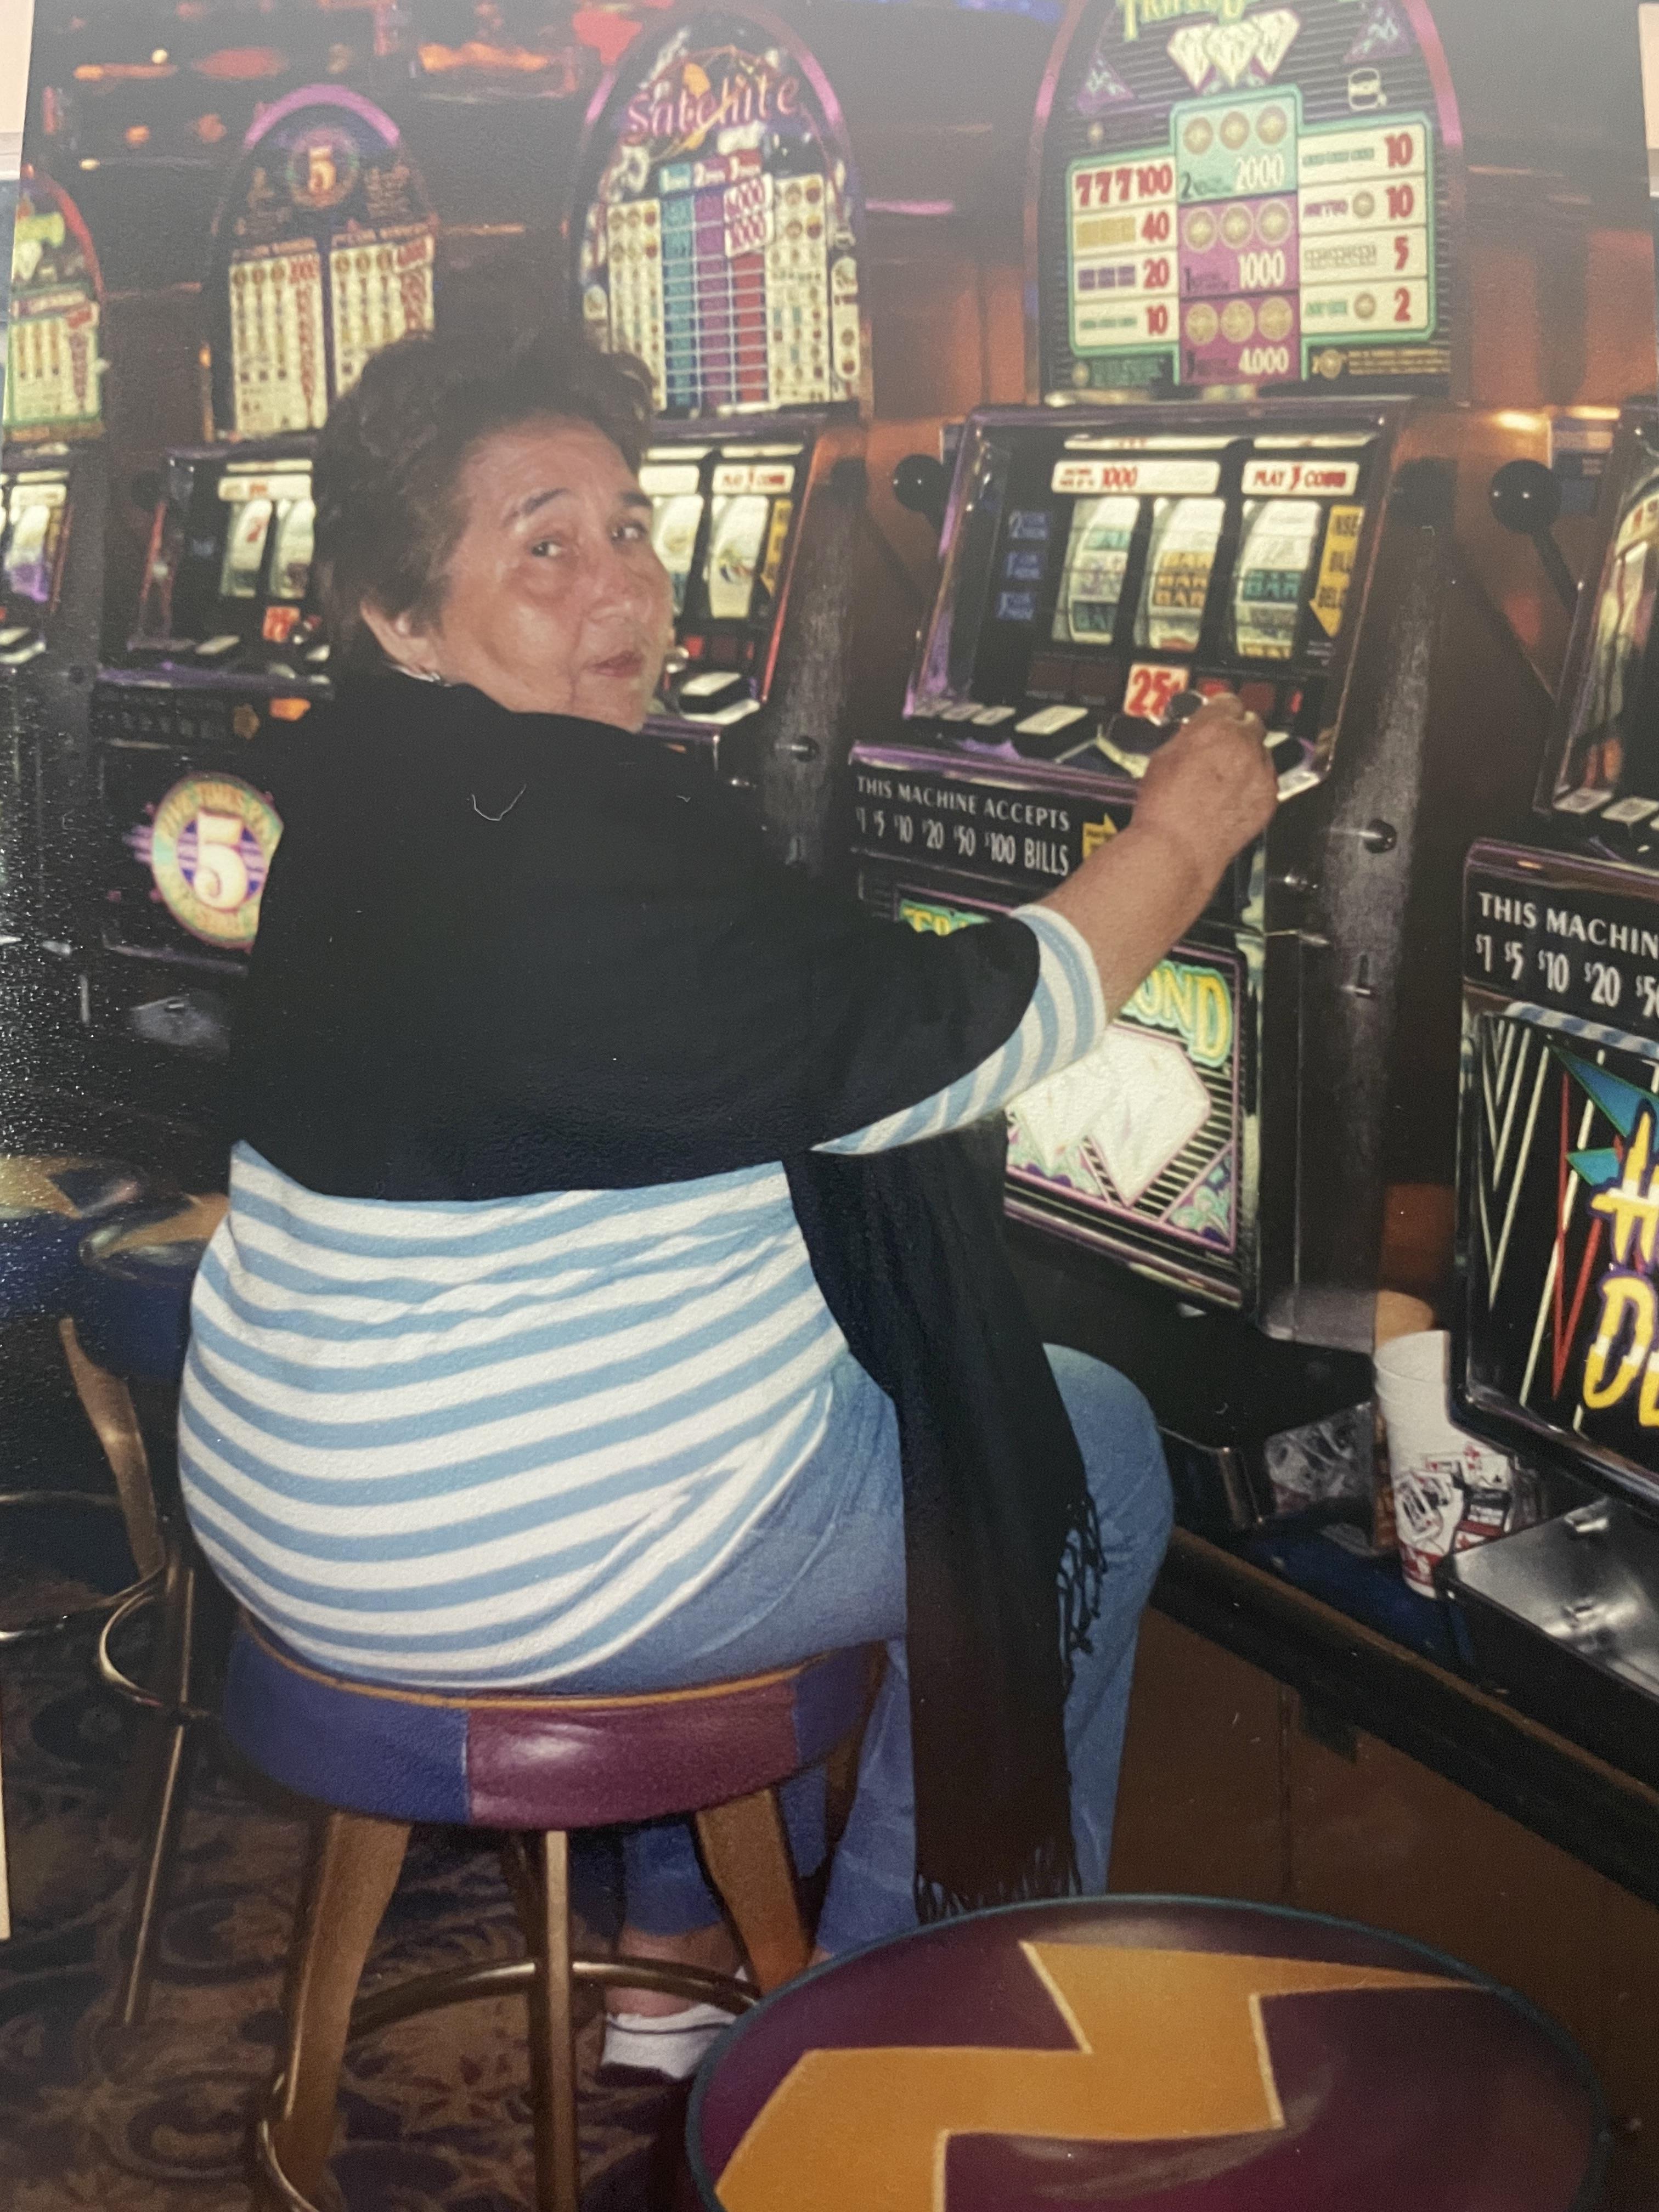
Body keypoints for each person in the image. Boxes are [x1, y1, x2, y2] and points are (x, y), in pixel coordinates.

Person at [176, 326, 1277, 2081]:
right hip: (496, 1554)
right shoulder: (559, 831)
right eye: (544, 545)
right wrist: (1181, 841)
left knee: (752, 1374)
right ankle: (899, 2023)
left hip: (296, 1499)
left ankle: (678, 1948)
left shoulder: (369, 779)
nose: (624, 586)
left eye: (632, 527)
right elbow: (932, 1051)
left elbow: (710, 1060)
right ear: (399, 612)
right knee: (1090, 1441)